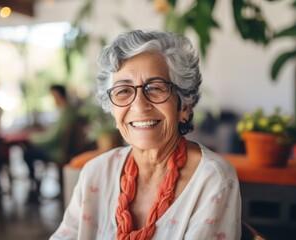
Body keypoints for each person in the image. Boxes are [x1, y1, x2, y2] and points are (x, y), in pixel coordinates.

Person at [50, 30, 242, 239]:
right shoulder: (95, 173)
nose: (139, 105)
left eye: (155, 88)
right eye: (123, 91)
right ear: (113, 110)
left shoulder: (213, 179)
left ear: (184, 105)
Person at [23, 84, 79, 195]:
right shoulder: (69, 111)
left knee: (27, 153)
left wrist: (32, 138)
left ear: (58, 95)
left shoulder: (65, 112)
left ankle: (34, 186)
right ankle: (36, 185)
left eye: (53, 95)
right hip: (64, 149)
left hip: (58, 151)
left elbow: (52, 137)